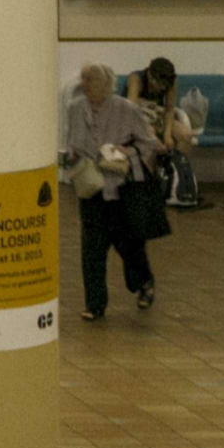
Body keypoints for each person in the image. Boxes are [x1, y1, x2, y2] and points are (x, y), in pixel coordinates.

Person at [63, 62, 161, 322]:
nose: (85, 84)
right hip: (91, 187)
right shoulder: (74, 109)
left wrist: (123, 152)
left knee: (129, 244)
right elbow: (71, 140)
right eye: (83, 79)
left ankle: (144, 283)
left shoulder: (125, 109)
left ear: (107, 84)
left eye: (91, 80)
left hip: (121, 188)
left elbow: (148, 143)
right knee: (92, 249)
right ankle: (95, 305)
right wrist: (72, 160)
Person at [129, 56, 206, 211]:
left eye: (166, 86)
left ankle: (175, 180)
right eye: (160, 85)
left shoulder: (172, 81)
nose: (162, 89)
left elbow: (170, 110)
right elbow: (130, 109)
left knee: (186, 135)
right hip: (136, 119)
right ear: (150, 76)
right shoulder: (136, 79)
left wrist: (167, 135)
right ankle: (148, 187)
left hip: (158, 115)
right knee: (149, 138)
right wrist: (153, 135)